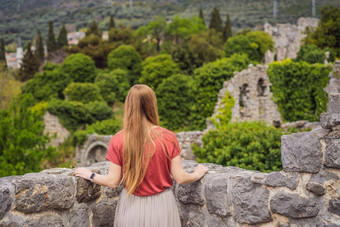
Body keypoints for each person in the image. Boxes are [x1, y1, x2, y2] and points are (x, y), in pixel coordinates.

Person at [74, 84, 209, 226]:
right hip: (162, 206)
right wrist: (197, 173)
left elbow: (112, 181)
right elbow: (180, 178)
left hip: (131, 206)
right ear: (152, 105)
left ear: (129, 106)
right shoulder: (168, 137)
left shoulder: (118, 140)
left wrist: (90, 175)